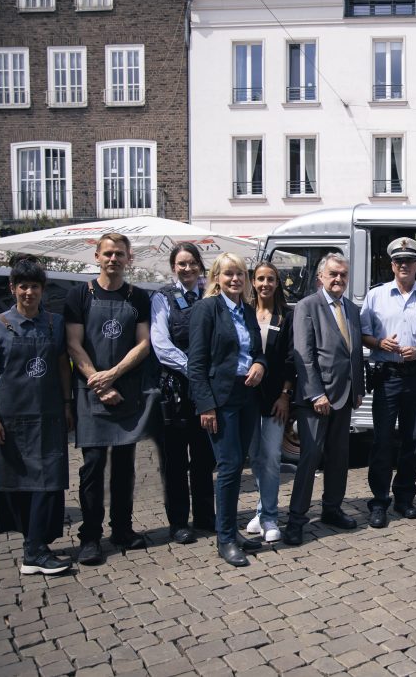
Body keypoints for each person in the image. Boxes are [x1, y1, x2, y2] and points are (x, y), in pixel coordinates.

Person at [0, 256, 73, 575]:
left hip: (48, 417)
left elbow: (62, 365)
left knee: (49, 482)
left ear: (42, 290)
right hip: (13, 420)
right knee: (19, 483)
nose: (28, 292)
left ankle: (36, 549)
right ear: (12, 288)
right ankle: (34, 547)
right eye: (23, 286)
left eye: (34, 286)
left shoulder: (54, 323)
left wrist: (67, 403)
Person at [65, 233, 154, 565]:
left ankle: (122, 530)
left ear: (129, 258)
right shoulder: (79, 296)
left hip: (125, 391)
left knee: (124, 467)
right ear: (97, 256)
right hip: (91, 394)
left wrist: (113, 374)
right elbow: (73, 344)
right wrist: (97, 382)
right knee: (92, 468)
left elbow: (144, 343)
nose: (113, 259)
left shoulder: (139, 297)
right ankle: (90, 537)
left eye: (119, 254)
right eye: (108, 254)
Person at [187, 253, 268, 566]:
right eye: (229, 274)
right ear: (217, 278)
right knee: (229, 465)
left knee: (237, 463)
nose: (235, 279)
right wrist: (205, 405)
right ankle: (224, 539)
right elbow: (196, 364)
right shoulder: (206, 309)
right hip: (220, 399)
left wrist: (260, 364)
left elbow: (257, 352)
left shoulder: (247, 311)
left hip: (247, 395)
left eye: (240, 275)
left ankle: (232, 532)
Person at [360, 238, 416, 528]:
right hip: (387, 376)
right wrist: (379, 342)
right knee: (382, 440)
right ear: (392, 265)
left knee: (415, 439)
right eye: (399, 261)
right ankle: (379, 501)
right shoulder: (376, 296)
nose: (404, 265)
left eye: (409, 261)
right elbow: (363, 334)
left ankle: (405, 498)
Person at [284, 253, 365, 546]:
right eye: (333, 274)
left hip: (344, 398)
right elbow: (303, 355)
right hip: (316, 399)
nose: (339, 279)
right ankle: (296, 519)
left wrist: (358, 388)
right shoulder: (307, 306)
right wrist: (316, 392)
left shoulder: (352, 310)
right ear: (320, 277)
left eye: (343, 274)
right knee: (309, 458)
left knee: (339, 458)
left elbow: (353, 353)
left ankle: (332, 508)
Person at [150, 242, 216, 545]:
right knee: (175, 460)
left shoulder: (211, 294)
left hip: (205, 392)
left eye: (191, 263)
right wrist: (195, 368)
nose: (187, 269)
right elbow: (161, 345)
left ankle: (205, 515)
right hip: (175, 390)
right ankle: (178, 522)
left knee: (204, 456)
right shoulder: (162, 298)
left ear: (200, 266)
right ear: (173, 267)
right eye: (181, 264)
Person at [246, 261, 295, 544]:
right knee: (255, 457)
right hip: (247, 398)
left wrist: (285, 394)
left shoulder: (285, 317)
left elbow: (291, 359)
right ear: (254, 281)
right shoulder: (244, 313)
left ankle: (270, 516)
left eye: (271, 279)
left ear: (277, 284)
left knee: (273, 457)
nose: (265, 284)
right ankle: (261, 509)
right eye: (261, 279)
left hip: (276, 397)